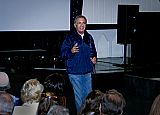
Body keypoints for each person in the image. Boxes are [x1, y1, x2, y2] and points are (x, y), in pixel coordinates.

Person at [61, 15, 97, 114]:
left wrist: (94, 58)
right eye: (79, 23)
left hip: (87, 71)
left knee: (89, 97)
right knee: (79, 97)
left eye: (84, 23)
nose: (82, 25)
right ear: (75, 25)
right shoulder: (69, 38)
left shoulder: (89, 37)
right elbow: (63, 54)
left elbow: (93, 52)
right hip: (74, 72)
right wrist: (71, 51)